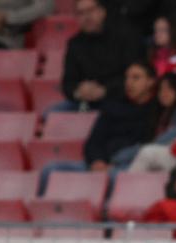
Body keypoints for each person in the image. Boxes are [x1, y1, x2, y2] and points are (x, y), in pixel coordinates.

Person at [39, 61, 159, 194]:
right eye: (127, 78)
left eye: (136, 78)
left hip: (129, 167)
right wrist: (97, 162)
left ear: (151, 82)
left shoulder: (157, 111)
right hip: (98, 165)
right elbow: (93, 141)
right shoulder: (113, 106)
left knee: (113, 176)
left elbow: (149, 146)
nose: (129, 83)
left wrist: (115, 164)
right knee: (50, 169)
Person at [52, 0, 145, 113]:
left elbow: (135, 76)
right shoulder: (75, 44)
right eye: (81, 13)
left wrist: (104, 91)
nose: (87, 17)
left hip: (120, 98)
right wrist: (78, 91)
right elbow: (68, 82)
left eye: (90, 10)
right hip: (86, 100)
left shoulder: (126, 35)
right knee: (51, 113)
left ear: (102, 11)